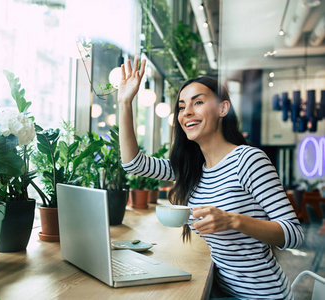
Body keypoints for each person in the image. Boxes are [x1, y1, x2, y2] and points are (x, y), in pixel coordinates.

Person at [118, 56, 304, 299]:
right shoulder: (192, 168)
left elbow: (294, 234)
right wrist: (124, 102)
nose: (187, 112)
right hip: (221, 289)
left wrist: (232, 221)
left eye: (198, 102)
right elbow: (134, 164)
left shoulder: (248, 160)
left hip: (261, 294)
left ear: (222, 109)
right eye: (182, 107)